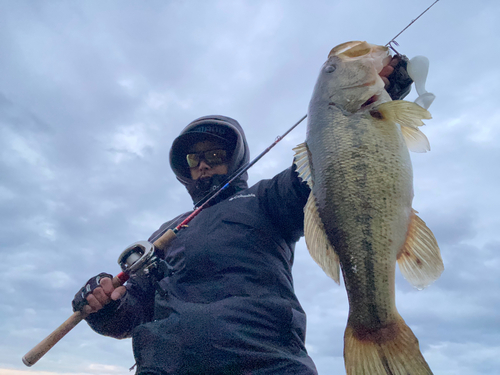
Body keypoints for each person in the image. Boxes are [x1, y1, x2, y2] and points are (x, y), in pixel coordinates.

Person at [72, 56, 412, 375]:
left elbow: (326, 168)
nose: (203, 164)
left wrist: (371, 103)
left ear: (235, 157)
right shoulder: (165, 232)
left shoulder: (266, 198)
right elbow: (134, 313)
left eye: (215, 154)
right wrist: (104, 307)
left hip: (266, 363)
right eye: (193, 159)